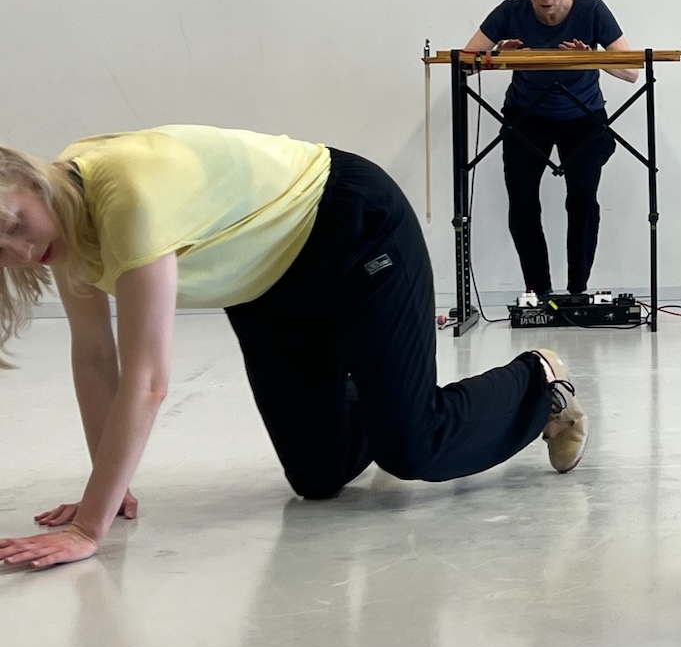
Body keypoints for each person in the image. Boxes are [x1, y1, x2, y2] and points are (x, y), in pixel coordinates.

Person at [0, 124, 589, 571]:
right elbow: (95, 356)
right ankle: (388, 396)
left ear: (31, 179)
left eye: (15, 223)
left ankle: (539, 385)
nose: (20, 251)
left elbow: (148, 383)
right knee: (318, 473)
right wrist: (110, 486)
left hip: (352, 227)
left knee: (413, 449)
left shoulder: (124, 196)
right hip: (264, 284)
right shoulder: (64, 234)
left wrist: (88, 529)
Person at [465, 0, 637, 297]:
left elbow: (632, 71)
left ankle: (577, 291)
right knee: (523, 201)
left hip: (583, 117)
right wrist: (496, 56)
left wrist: (592, 58)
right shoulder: (511, 11)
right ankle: (539, 293)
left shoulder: (591, 9)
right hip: (527, 117)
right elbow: (465, 61)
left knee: (582, 198)